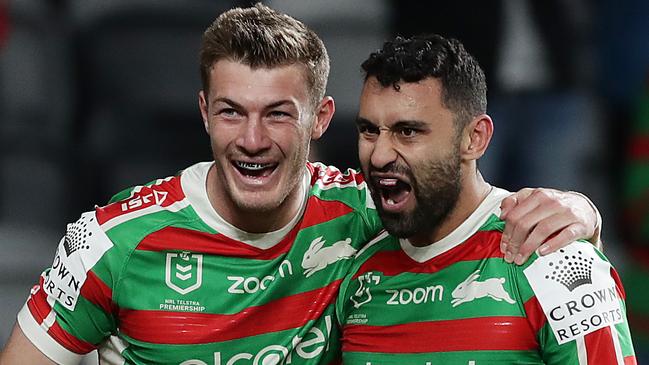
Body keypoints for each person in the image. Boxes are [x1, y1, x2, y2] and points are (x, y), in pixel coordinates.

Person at [0, 5, 602, 365]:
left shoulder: (363, 214)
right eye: (232, 111)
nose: (253, 139)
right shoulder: (114, 241)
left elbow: (461, 201)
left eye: (278, 114)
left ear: (320, 118)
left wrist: (579, 209)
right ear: (204, 113)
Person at [336, 34, 635, 364]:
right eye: (369, 130)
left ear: (474, 139)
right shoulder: (349, 259)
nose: (378, 156)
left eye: (408, 132)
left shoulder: (554, 256)